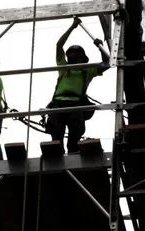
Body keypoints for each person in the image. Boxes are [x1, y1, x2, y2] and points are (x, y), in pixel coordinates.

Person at [46, 17, 109, 153]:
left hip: (76, 105)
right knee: (56, 134)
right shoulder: (64, 67)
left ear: (82, 57)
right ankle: (58, 156)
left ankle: (73, 154)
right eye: (71, 53)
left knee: (75, 134)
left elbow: (107, 63)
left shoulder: (87, 70)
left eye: (75, 53)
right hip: (58, 104)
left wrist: (100, 48)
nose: (72, 55)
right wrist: (72, 27)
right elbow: (59, 45)